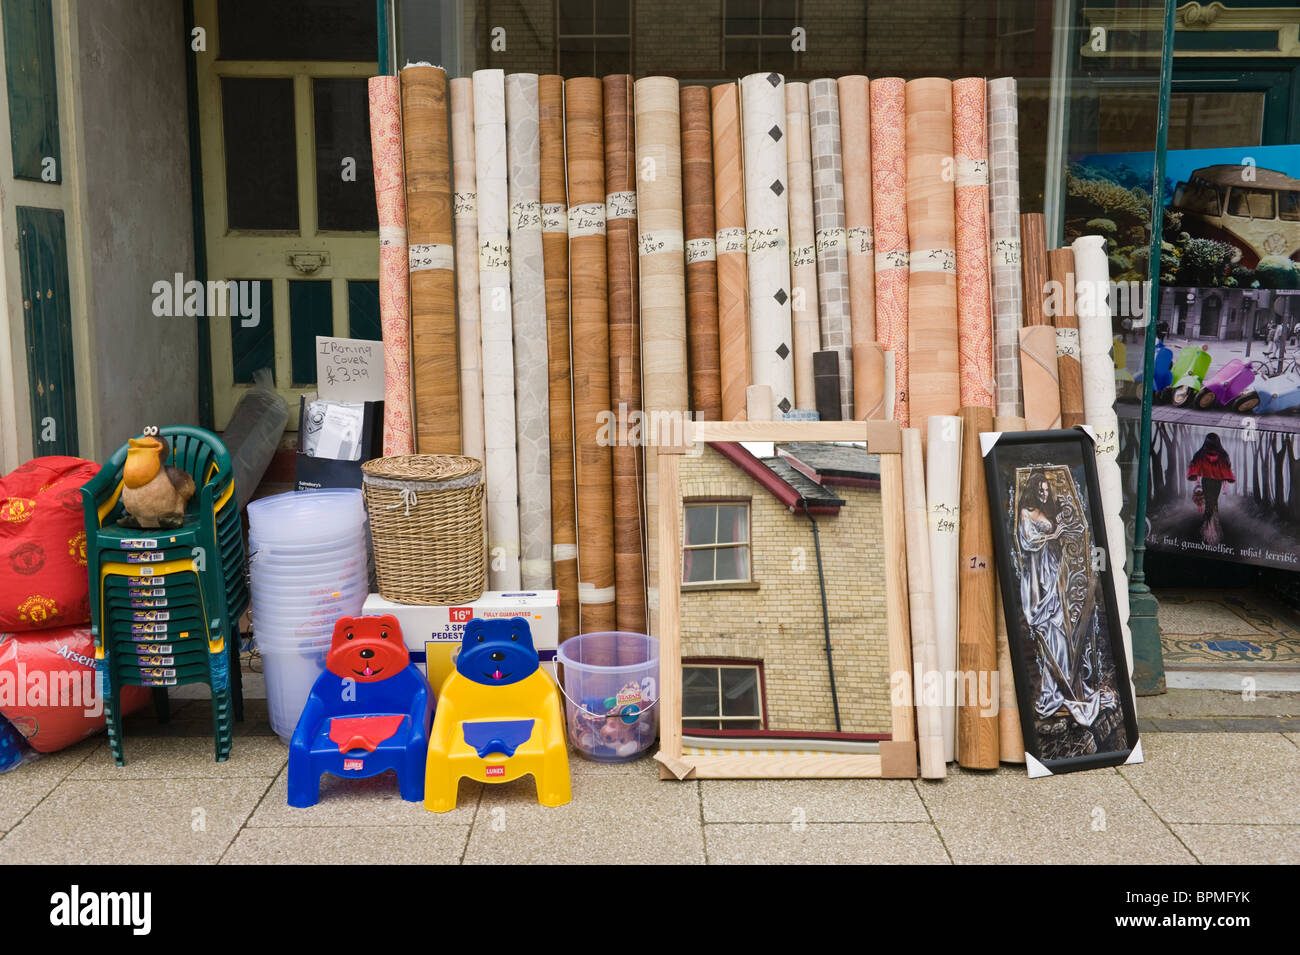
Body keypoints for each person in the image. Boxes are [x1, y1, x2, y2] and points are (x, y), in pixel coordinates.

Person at [1016, 470, 1105, 726]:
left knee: (1064, 630)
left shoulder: (1049, 510)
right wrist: (1053, 536)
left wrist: (1061, 536)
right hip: (1041, 572)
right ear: (1033, 490)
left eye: (1047, 490)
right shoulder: (1026, 512)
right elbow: (1028, 542)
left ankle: (1070, 682)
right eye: (1040, 491)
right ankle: (1052, 691)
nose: (1045, 494)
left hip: (1056, 567)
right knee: (1053, 626)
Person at [1187, 432, 1235, 545]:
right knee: (1213, 503)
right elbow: (1227, 467)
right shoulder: (1223, 454)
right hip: (1217, 483)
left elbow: (1194, 464)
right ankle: (1212, 532)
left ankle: (1208, 532)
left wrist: (1196, 474)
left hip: (1207, 482)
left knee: (1209, 504)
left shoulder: (1200, 454)